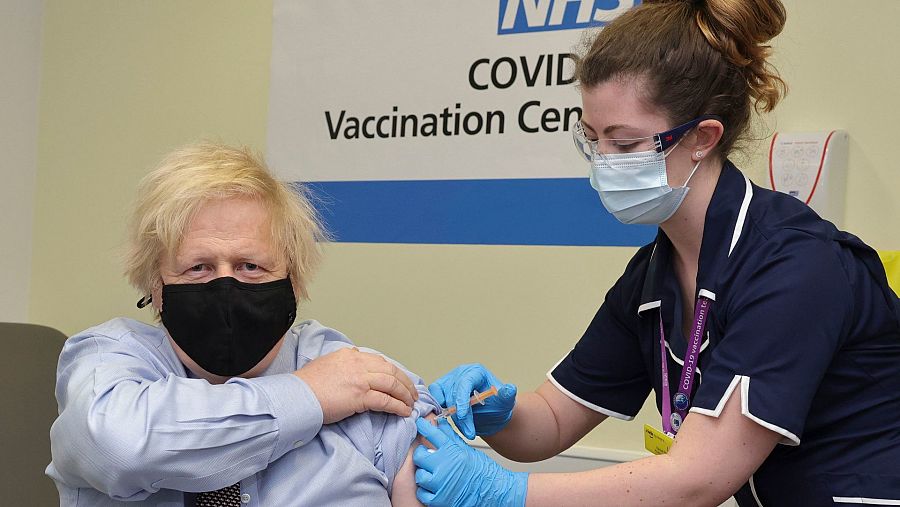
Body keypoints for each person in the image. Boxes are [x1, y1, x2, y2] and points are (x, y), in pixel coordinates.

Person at [413, 0, 900, 505]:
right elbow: (553, 423)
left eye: (625, 144)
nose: (604, 161)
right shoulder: (653, 277)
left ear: (702, 138)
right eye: (592, 139)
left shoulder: (795, 266)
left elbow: (696, 481)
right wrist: (496, 410)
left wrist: (501, 492)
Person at [46, 142, 437, 506]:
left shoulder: (359, 374)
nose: (225, 287)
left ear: (294, 280)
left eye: (250, 266)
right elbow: (118, 445)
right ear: (155, 285)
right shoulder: (109, 360)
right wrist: (308, 396)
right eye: (198, 268)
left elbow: (425, 459)